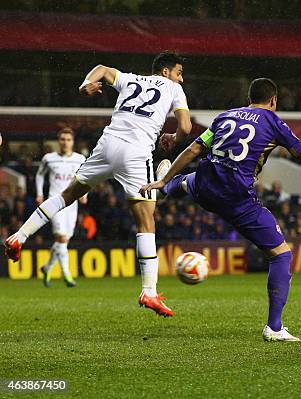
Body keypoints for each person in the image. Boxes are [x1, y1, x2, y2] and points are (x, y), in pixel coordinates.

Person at [4, 51, 192, 317]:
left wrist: (85, 85)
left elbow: (102, 68)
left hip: (107, 144)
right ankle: (149, 292)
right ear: (166, 72)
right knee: (147, 222)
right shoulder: (173, 89)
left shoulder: (130, 79)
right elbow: (185, 127)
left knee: (67, 195)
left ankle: (18, 237)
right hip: (136, 152)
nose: (181, 79)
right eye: (179, 72)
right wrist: (172, 138)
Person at [140, 78, 301, 341]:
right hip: (237, 197)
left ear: (249, 97)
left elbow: (193, 149)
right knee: (281, 256)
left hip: (206, 183)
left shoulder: (226, 116)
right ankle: (274, 327)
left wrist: (163, 179)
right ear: (273, 101)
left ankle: (168, 188)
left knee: (190, 181)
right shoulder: (272, 121)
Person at [36, 128, 87, 287]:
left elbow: (86, 177)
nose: (65, 142)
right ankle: (67, 275)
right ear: (58, 141)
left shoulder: (80, 159)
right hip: (54, 202)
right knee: (62, 238)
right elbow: (39, 175)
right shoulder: (48, 159)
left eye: (68, 139)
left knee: (63, 241)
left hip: (72, 204)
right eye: (62, 139)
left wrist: (85, 194)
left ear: (73, 142)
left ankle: (47, 268)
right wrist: (39, 194)